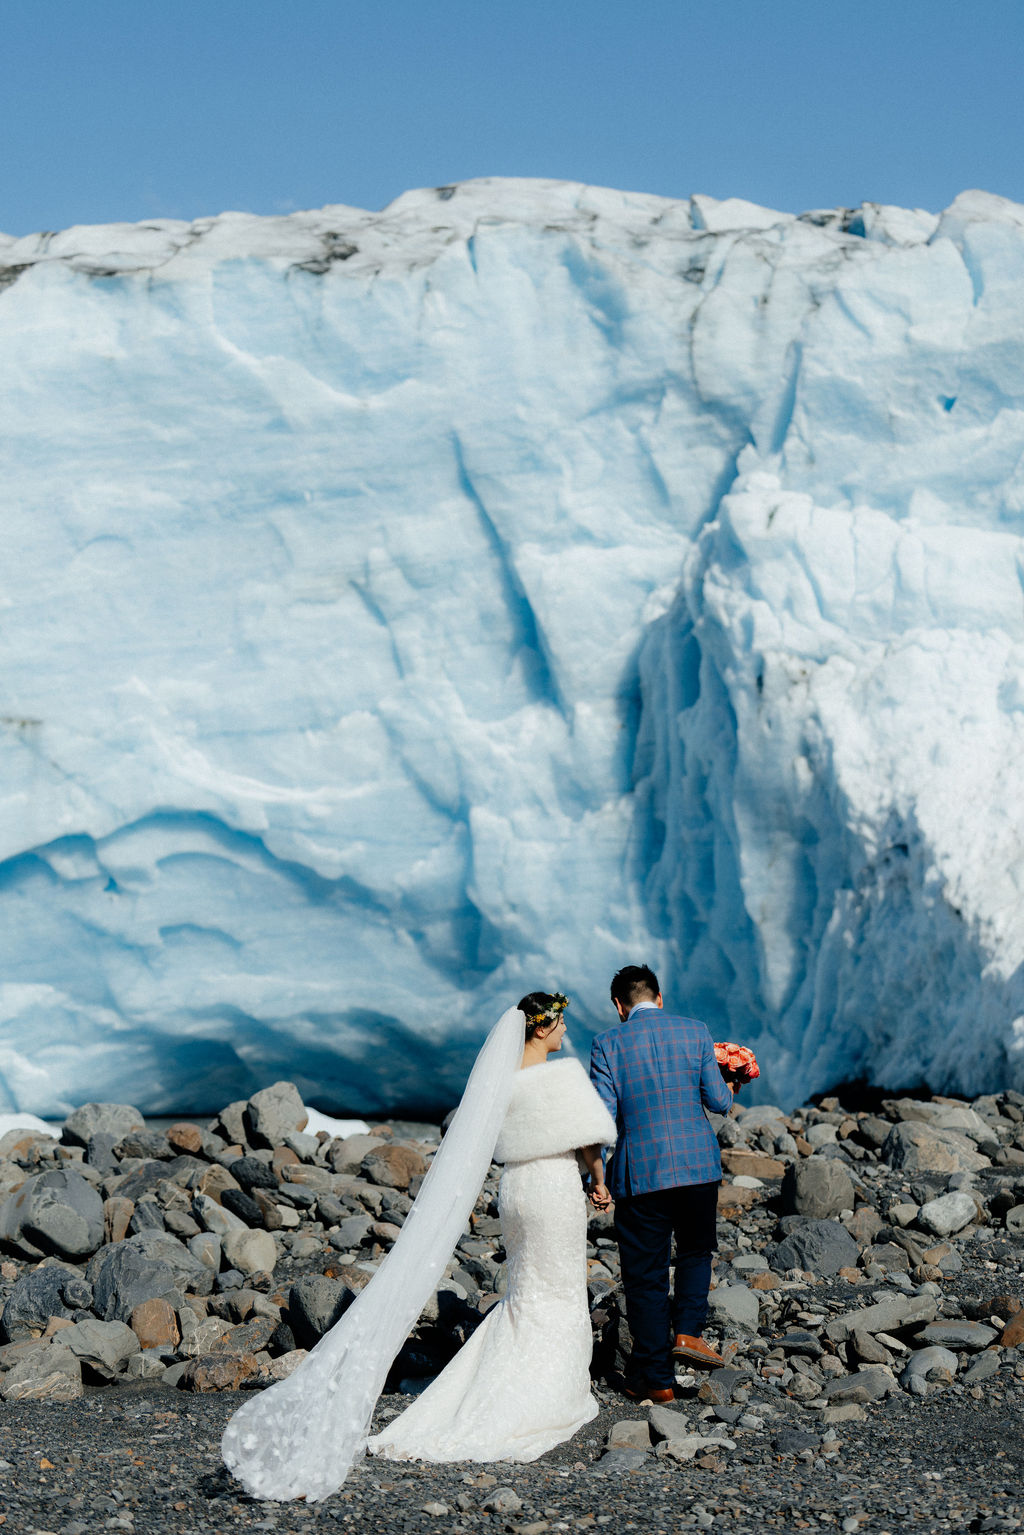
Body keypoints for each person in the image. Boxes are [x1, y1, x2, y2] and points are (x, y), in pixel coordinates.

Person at [222, 991, 616, 1502]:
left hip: (517, 1189)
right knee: (559, 1287)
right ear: (542, 1029)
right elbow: (589, 1139)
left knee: (527, 1290)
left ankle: (497, 1383)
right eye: (560, 1024)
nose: (565, 1031)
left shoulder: (501, 1082)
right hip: (553, 1186)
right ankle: (550, 1391)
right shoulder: (561, 1077)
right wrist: (599, 1180)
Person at [589, 964, 734, 1404]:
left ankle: (658, 1379)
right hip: (697, 1167)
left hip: (641, 1174)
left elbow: (602, 1117)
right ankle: (688, 1334)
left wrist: (593, 1176)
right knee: (695, 1251)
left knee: (645, 1277)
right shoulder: (695, 1032)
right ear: (660, 997)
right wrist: (732, 1080)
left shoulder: (607, 1044)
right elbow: (719, 1101)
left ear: (619, 1005)